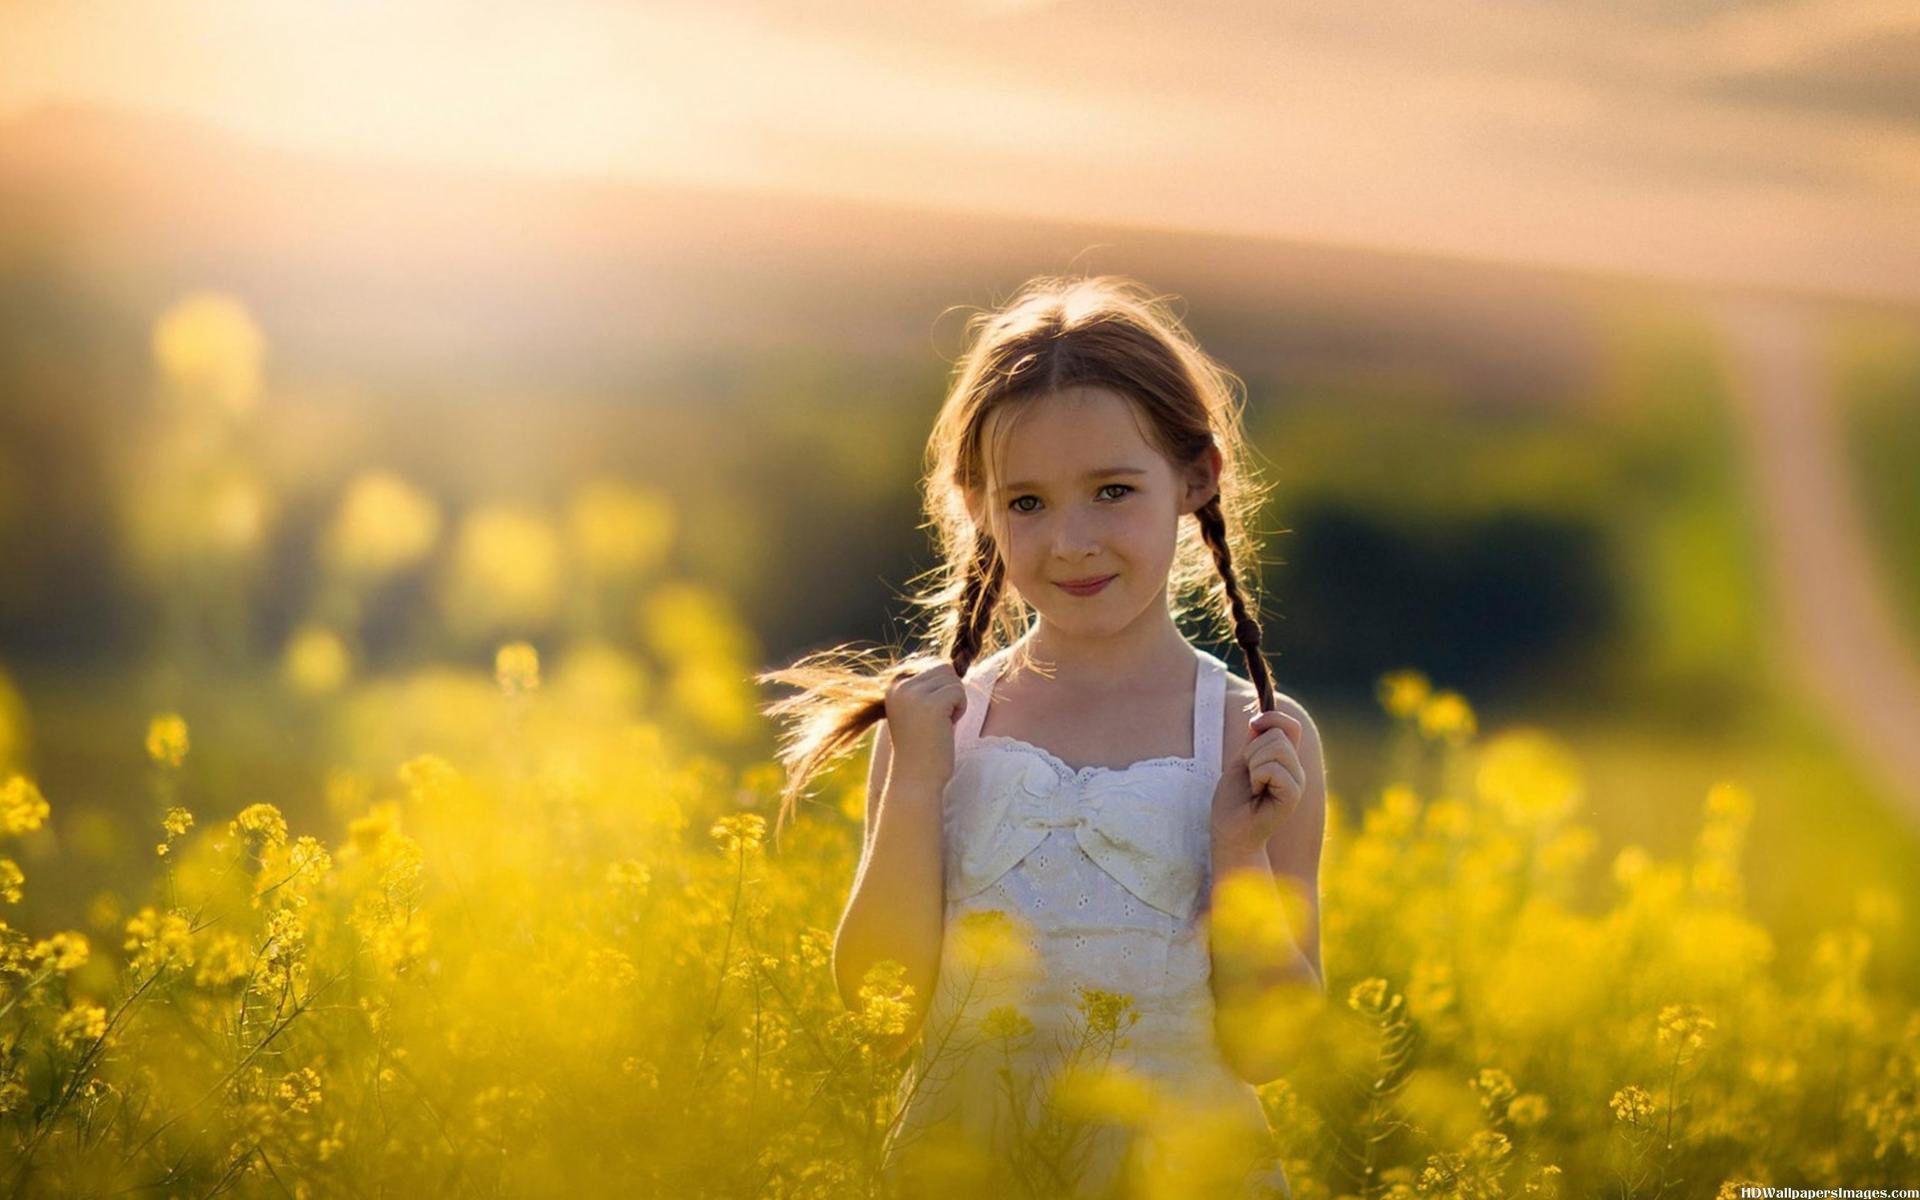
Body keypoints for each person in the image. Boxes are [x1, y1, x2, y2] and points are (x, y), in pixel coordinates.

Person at [758, 274, 1328, 1198]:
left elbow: (1275, 1047)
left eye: (1111, 490)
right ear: (976, 505)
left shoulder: (1256, 737)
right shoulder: (937, 727)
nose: (1070, 541)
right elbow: (878, 1009)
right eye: (1027, 503)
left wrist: (1237, 855)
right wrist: (912, 786)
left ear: (1197, 478)